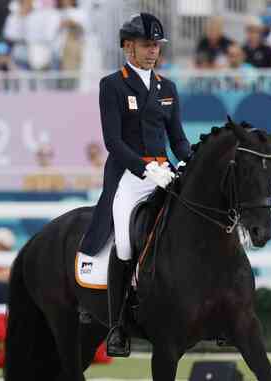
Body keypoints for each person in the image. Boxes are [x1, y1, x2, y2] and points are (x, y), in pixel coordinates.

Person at [77, 13, 191, 357]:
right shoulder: (112, 85)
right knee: (126, 244)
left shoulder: (167, 88)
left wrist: (188, 162)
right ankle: (116, 325)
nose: (152, 51)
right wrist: (144, 168)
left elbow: (179, 140)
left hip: (164, 173)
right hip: (129, 175)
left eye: (156, 45)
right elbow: (113, 141)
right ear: (128, 46)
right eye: (146, 45)